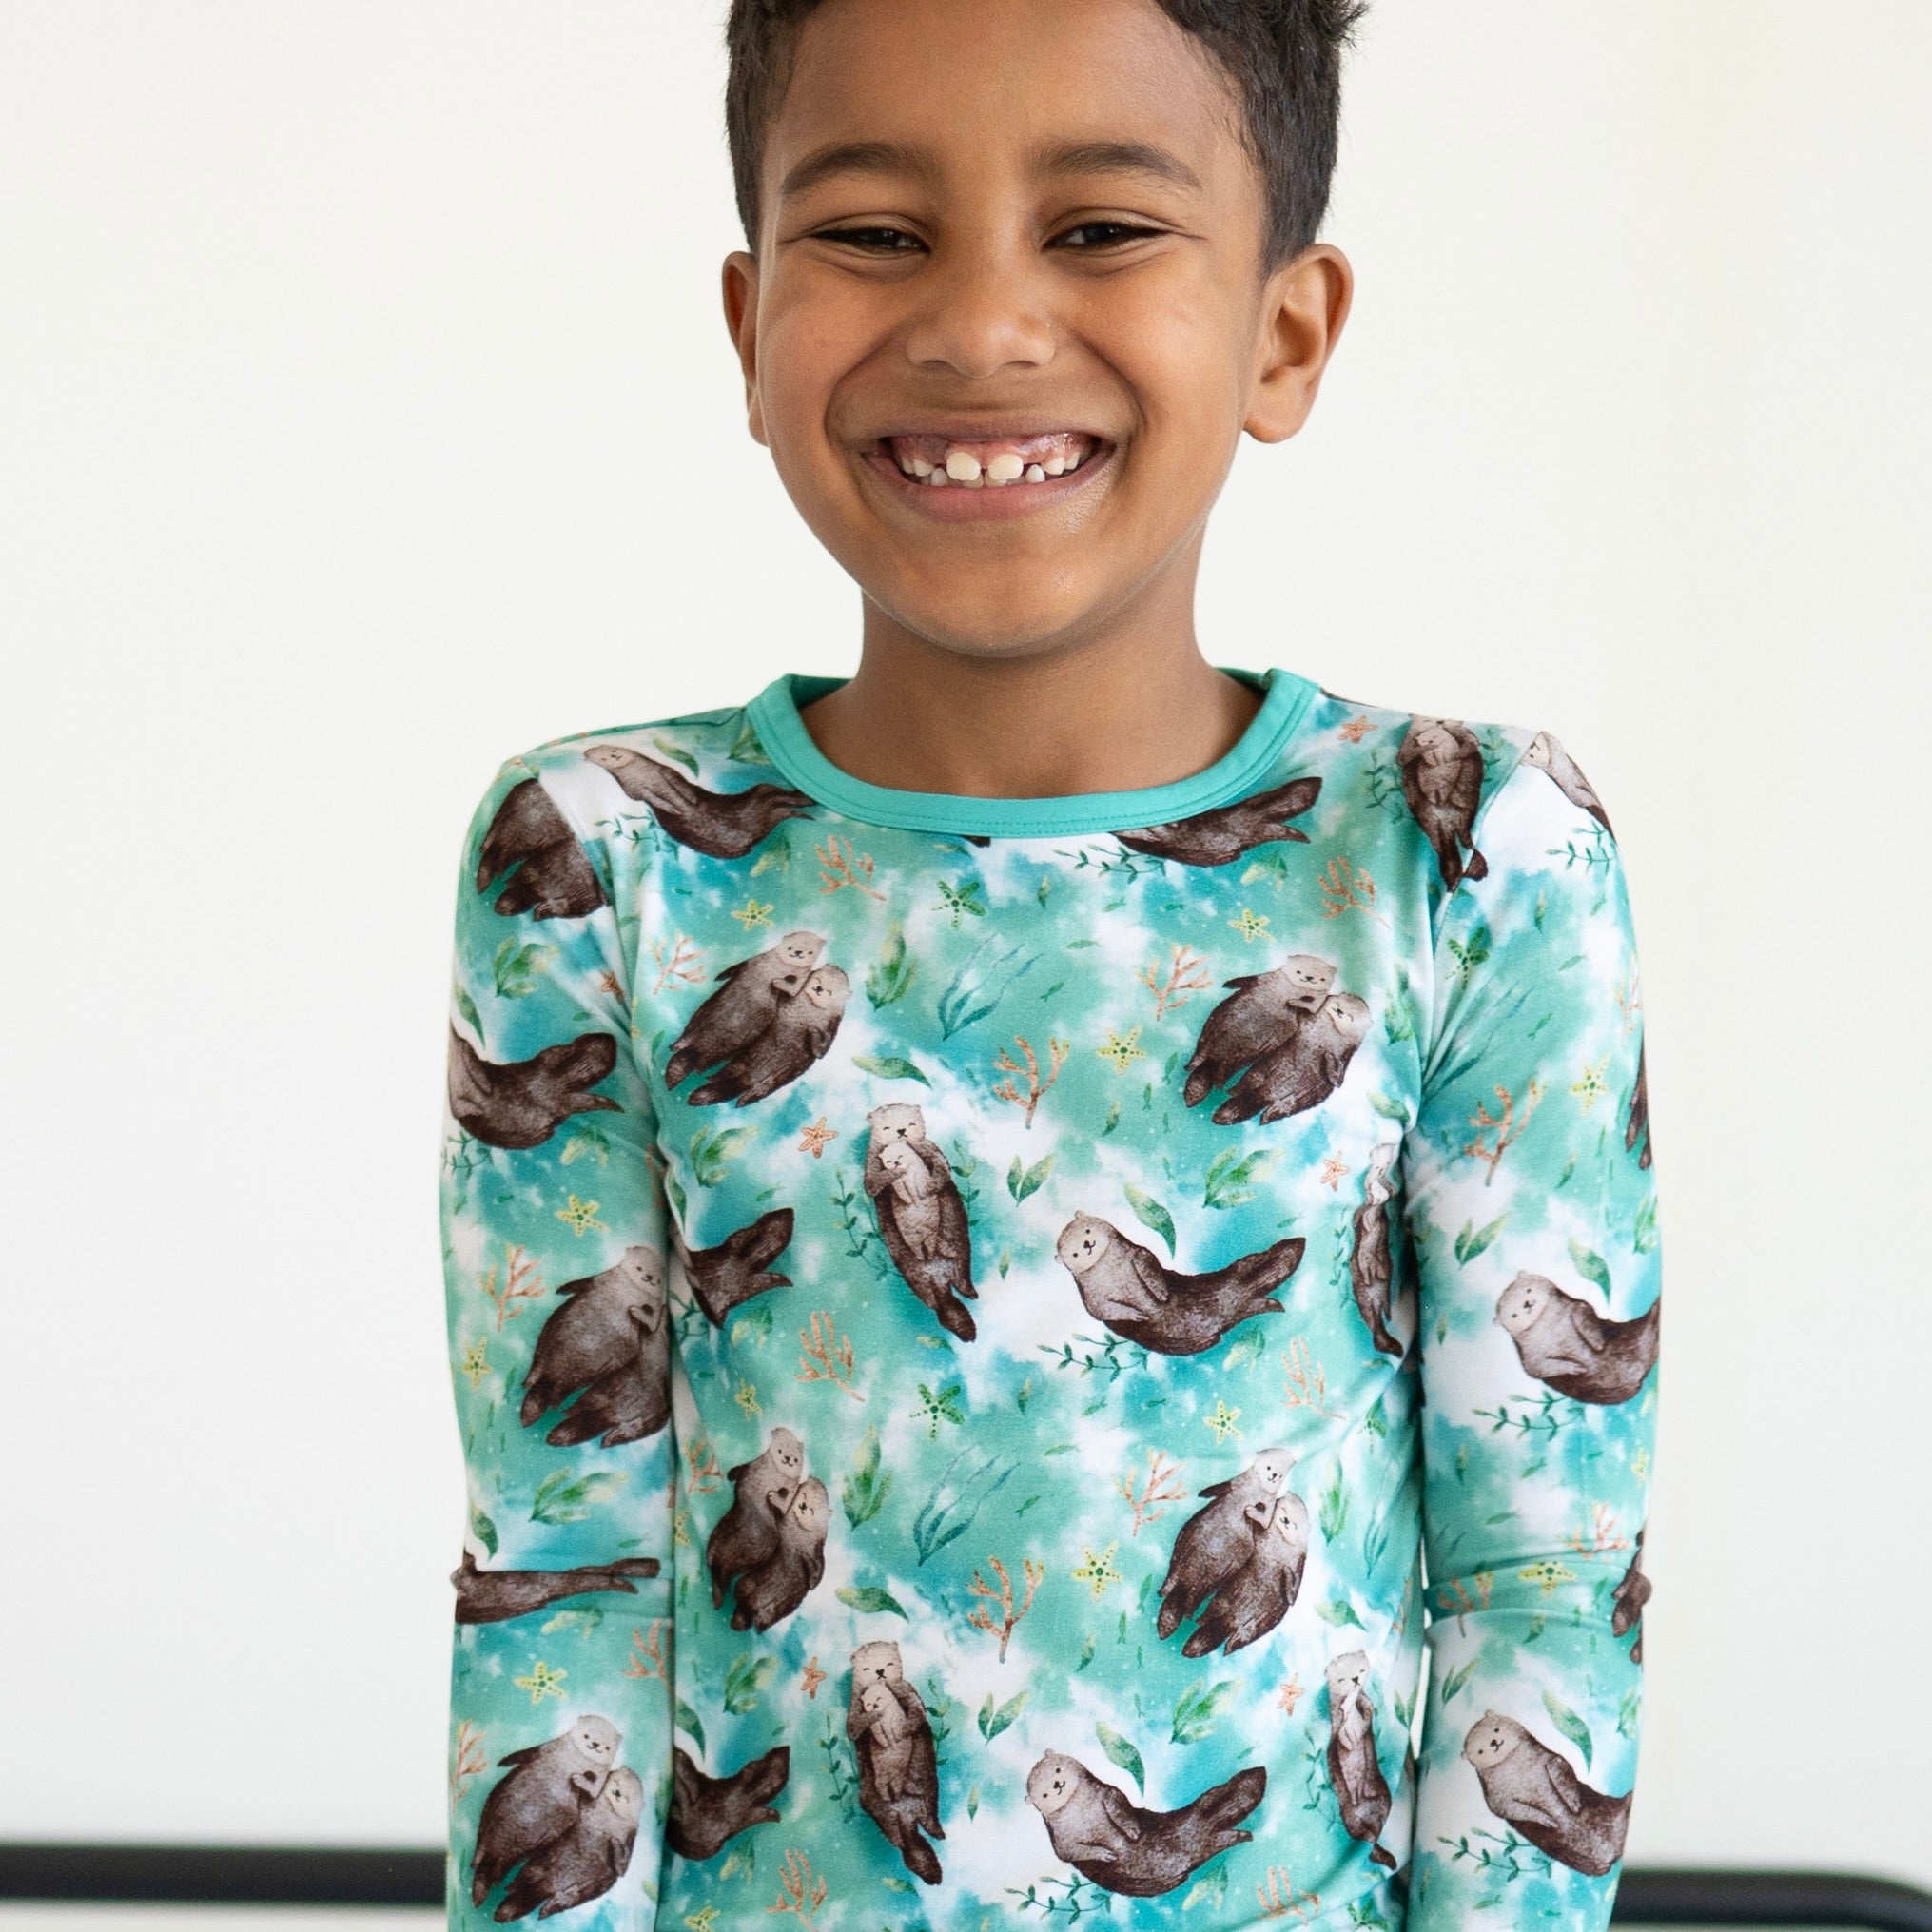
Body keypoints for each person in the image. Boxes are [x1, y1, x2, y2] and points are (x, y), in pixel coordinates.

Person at [439, 1, 1660, 1925]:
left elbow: (1539, 1567)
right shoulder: (598, 856)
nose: (979, 323)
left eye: (1095, 227)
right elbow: (557, 1563)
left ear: (1283, 330)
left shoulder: (1464, 847)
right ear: (750, 325)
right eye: (874, 233)